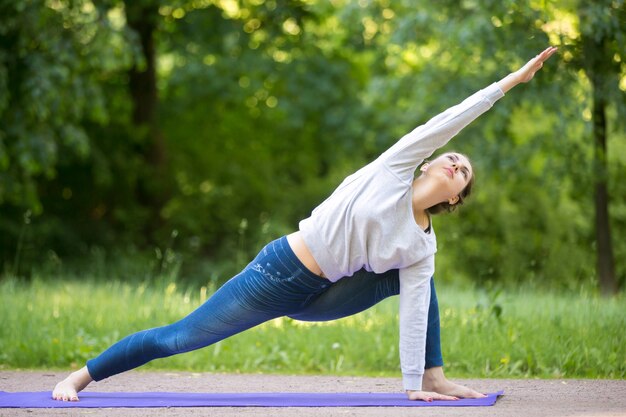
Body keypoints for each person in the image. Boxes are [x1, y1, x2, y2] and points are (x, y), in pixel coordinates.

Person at [53, 46, 558, 402]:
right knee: (180, 338)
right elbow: (452, 118)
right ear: (429, 164)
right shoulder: (395, 167)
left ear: (456, 196)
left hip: (324, 297)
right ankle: (80, 377)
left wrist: (412, 384)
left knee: (420, 286)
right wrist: (510, 83)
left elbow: (413, 316)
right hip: (278, 273)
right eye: (451, 159)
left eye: (463, 172)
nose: (455, 165)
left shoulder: (422, 244)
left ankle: (434, 377)